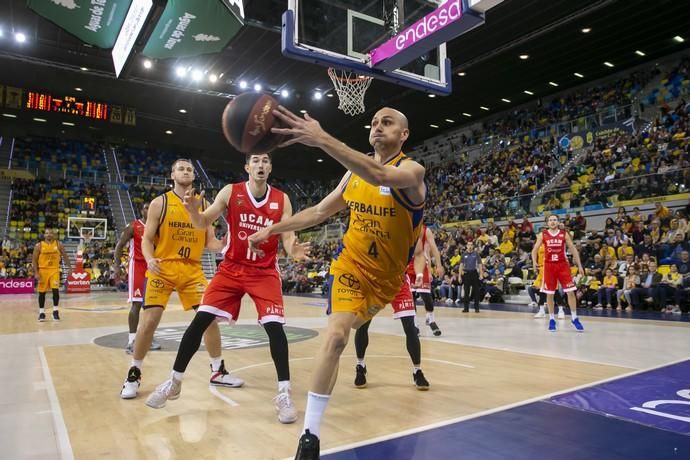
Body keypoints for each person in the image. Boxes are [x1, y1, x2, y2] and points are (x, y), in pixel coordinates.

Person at [249, 106, 426, 459]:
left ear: (403, 134)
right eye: (374, 122)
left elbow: (378, 175)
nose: (377, 127)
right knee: (335, 337)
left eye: (387, 123)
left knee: (344, 336)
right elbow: (317, 212)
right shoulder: (351, 176)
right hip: (350, 268)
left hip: (387, 281)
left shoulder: (412, 171)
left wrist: (322, 138)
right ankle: (309, 438)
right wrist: (273, 229)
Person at [144, 153, 311, 425]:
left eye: (266, 161)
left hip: (264, 271)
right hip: (231, 268)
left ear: (270, 168)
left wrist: (295, 250)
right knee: (200, 321)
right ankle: (174, 382)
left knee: (275, 327)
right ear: (247, 167)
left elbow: (289, 239)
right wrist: (192, 211)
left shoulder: (282, 199)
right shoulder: (230, 192)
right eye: (255, 161)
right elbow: (201, 223)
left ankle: (284, 393)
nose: (260, 165)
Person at [120, 159, 234, 400]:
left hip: (192, 269)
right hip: (163, 267)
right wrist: (149, 258)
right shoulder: (159, 203)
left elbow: (209, 241)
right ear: (172, 174)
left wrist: (226, 245)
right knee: (149, 321)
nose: (185, 171)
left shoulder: (204, 204)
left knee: (209, 320)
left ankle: (217, 370)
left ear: (194, 176)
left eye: (189, 169)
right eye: (181, 168)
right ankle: (134, 372)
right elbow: (147, 238)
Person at [352, 274, 430, 391]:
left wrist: (419, 273)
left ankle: (417, 371)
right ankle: (360, 365)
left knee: (410, 328)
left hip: (399, 282)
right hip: (374, 283)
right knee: (363, 325)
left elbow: (419, 255)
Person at [112, 202, 161, 353]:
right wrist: (117, 266)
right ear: (142, 210)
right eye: (146, 207)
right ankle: (132, 341)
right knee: (137, 304)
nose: (149, 210)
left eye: (151, 207)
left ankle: (146, 337)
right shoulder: (133, 226)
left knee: (152, 306)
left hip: (153, 267)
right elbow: (119, 246)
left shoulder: (158, 227)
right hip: (137, 267)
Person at [531, 215, 585, 332]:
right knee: (549, 294)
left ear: (558, 222)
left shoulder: (564, 234)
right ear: (547, 223)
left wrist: (580, 265)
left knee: (570, 292)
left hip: (563, 265)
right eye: (550, 220)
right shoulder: (543, 234)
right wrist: (534, 262)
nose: (552, 222)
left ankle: (574, 318)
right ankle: (551, 319)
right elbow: (534, 249)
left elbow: (573, 249)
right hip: (549, 266)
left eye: (554, 220)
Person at [409, 225, 445, 335]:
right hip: (408, 265)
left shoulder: (426, 230)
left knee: (426, 297)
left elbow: (432, 249)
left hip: (422, 264)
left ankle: (430, 318)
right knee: (411, 298)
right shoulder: (404, 227)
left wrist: (438, 265)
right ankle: (414, 324)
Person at [32, 228, 72, 321]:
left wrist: (69, 267)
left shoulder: (58, 244)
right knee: (42, 292)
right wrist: (36, 272)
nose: (49, 234)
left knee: (55, 291)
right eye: (47, 233)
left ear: (54, 235)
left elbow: (65, 256)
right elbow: (34, 260)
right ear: (44, 235)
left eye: (51, 233)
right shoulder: (39, 245)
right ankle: (41, 313)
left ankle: (55, 311)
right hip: (43, 270)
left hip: (54, 270)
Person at [460, 241, 483, 312]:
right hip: (466, 274)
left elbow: (479, 264)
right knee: (466, 291)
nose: (470, 246)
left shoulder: (476, 254)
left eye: (471, 245)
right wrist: (459, 276)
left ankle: (477, 308)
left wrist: (481, 274)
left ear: (473, 246)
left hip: (474, 273)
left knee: (476, 291)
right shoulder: (463, 254)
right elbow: (461, 265)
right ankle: (466, 308)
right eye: (468, 245)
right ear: (466, 246)